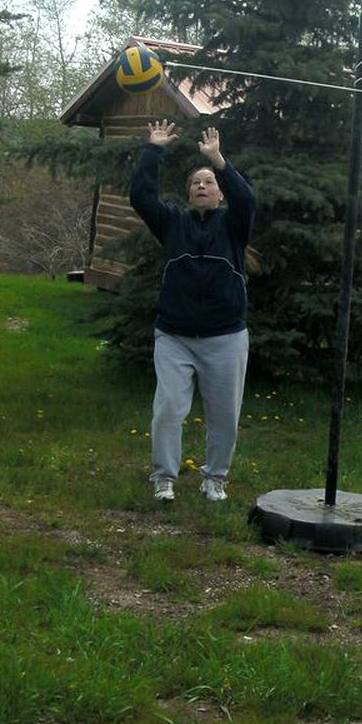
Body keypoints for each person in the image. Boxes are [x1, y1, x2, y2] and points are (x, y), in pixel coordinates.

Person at [130, 122, 256, 503]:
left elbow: (247, 198)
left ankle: (215, 478)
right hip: (175, 336)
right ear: (188, 194)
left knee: (224, 417)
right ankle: (164, 478)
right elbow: (141, 196)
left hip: (226, 337)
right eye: (195, 183)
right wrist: (153, 149)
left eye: (209, 182)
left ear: (219, 194)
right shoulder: (173, 223)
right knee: (168, 409)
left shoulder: (234, 225)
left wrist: (217, 161)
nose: (202, 186)